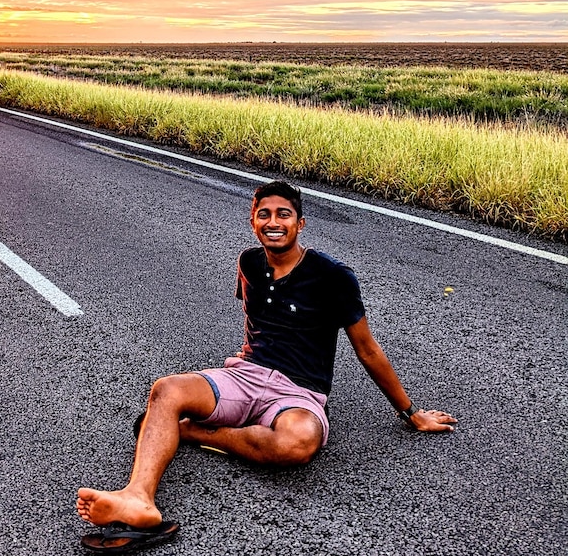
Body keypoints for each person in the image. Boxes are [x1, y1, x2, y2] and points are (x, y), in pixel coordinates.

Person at [76, 180, 457, 552]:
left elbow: (368, 350)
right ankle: (138, 498)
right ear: (253, 221)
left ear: (300, 223)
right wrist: (241, 367)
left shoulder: (333, 277)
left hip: (299, 391)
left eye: (284, 214)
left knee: (298, 443)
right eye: (264, 214)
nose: (273, 222)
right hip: (246, 375)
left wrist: (410, 413)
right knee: (167, 389)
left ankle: (193, 433)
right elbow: (258, 320)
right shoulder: (249, 262)